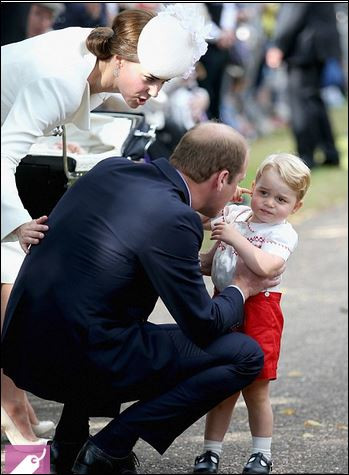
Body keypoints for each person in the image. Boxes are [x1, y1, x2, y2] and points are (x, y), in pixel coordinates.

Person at [2, 122, 284, 474]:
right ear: (221, 178)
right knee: (244, 355)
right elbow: (204, 323)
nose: (237, 193)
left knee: (100, 312)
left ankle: (67, 446)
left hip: (21, 348)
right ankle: (109, 449)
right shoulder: (177, 219)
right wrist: (240, 288)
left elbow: (120, 255)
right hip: (79, 356)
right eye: (236, 182)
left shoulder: (111, 169)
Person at [1, 3, 210, 446]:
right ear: (119, 59)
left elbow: (77, 130)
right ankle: (12, 408)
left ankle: (11, 406)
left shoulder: (97, 57)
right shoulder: (63, 78)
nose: (154, 93)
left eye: (162, 83)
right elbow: (3, 156)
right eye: (150, 79)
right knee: (10, 267)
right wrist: (18, 224)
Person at [193, 153, 311, 474]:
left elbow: (265, 266)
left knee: (256, 388)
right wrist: (220, 203)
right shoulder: (236, 213)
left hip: (260, 310)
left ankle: (261, 453)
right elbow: (195, 215)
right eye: (263, 192)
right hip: (223, 304)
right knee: (221, 384)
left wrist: (234, 236)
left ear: (295, 207)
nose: (269, 203)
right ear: (252, 187)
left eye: (281, 199)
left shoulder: (283, 233)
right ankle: (210, 451)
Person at [266, 3, 342, 169]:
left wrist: (279, 44)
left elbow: (293, 11)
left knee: (301, 103)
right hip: (318, 44)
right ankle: (330, 152)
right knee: (314, 100)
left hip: (305, 46)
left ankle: (306, 156)